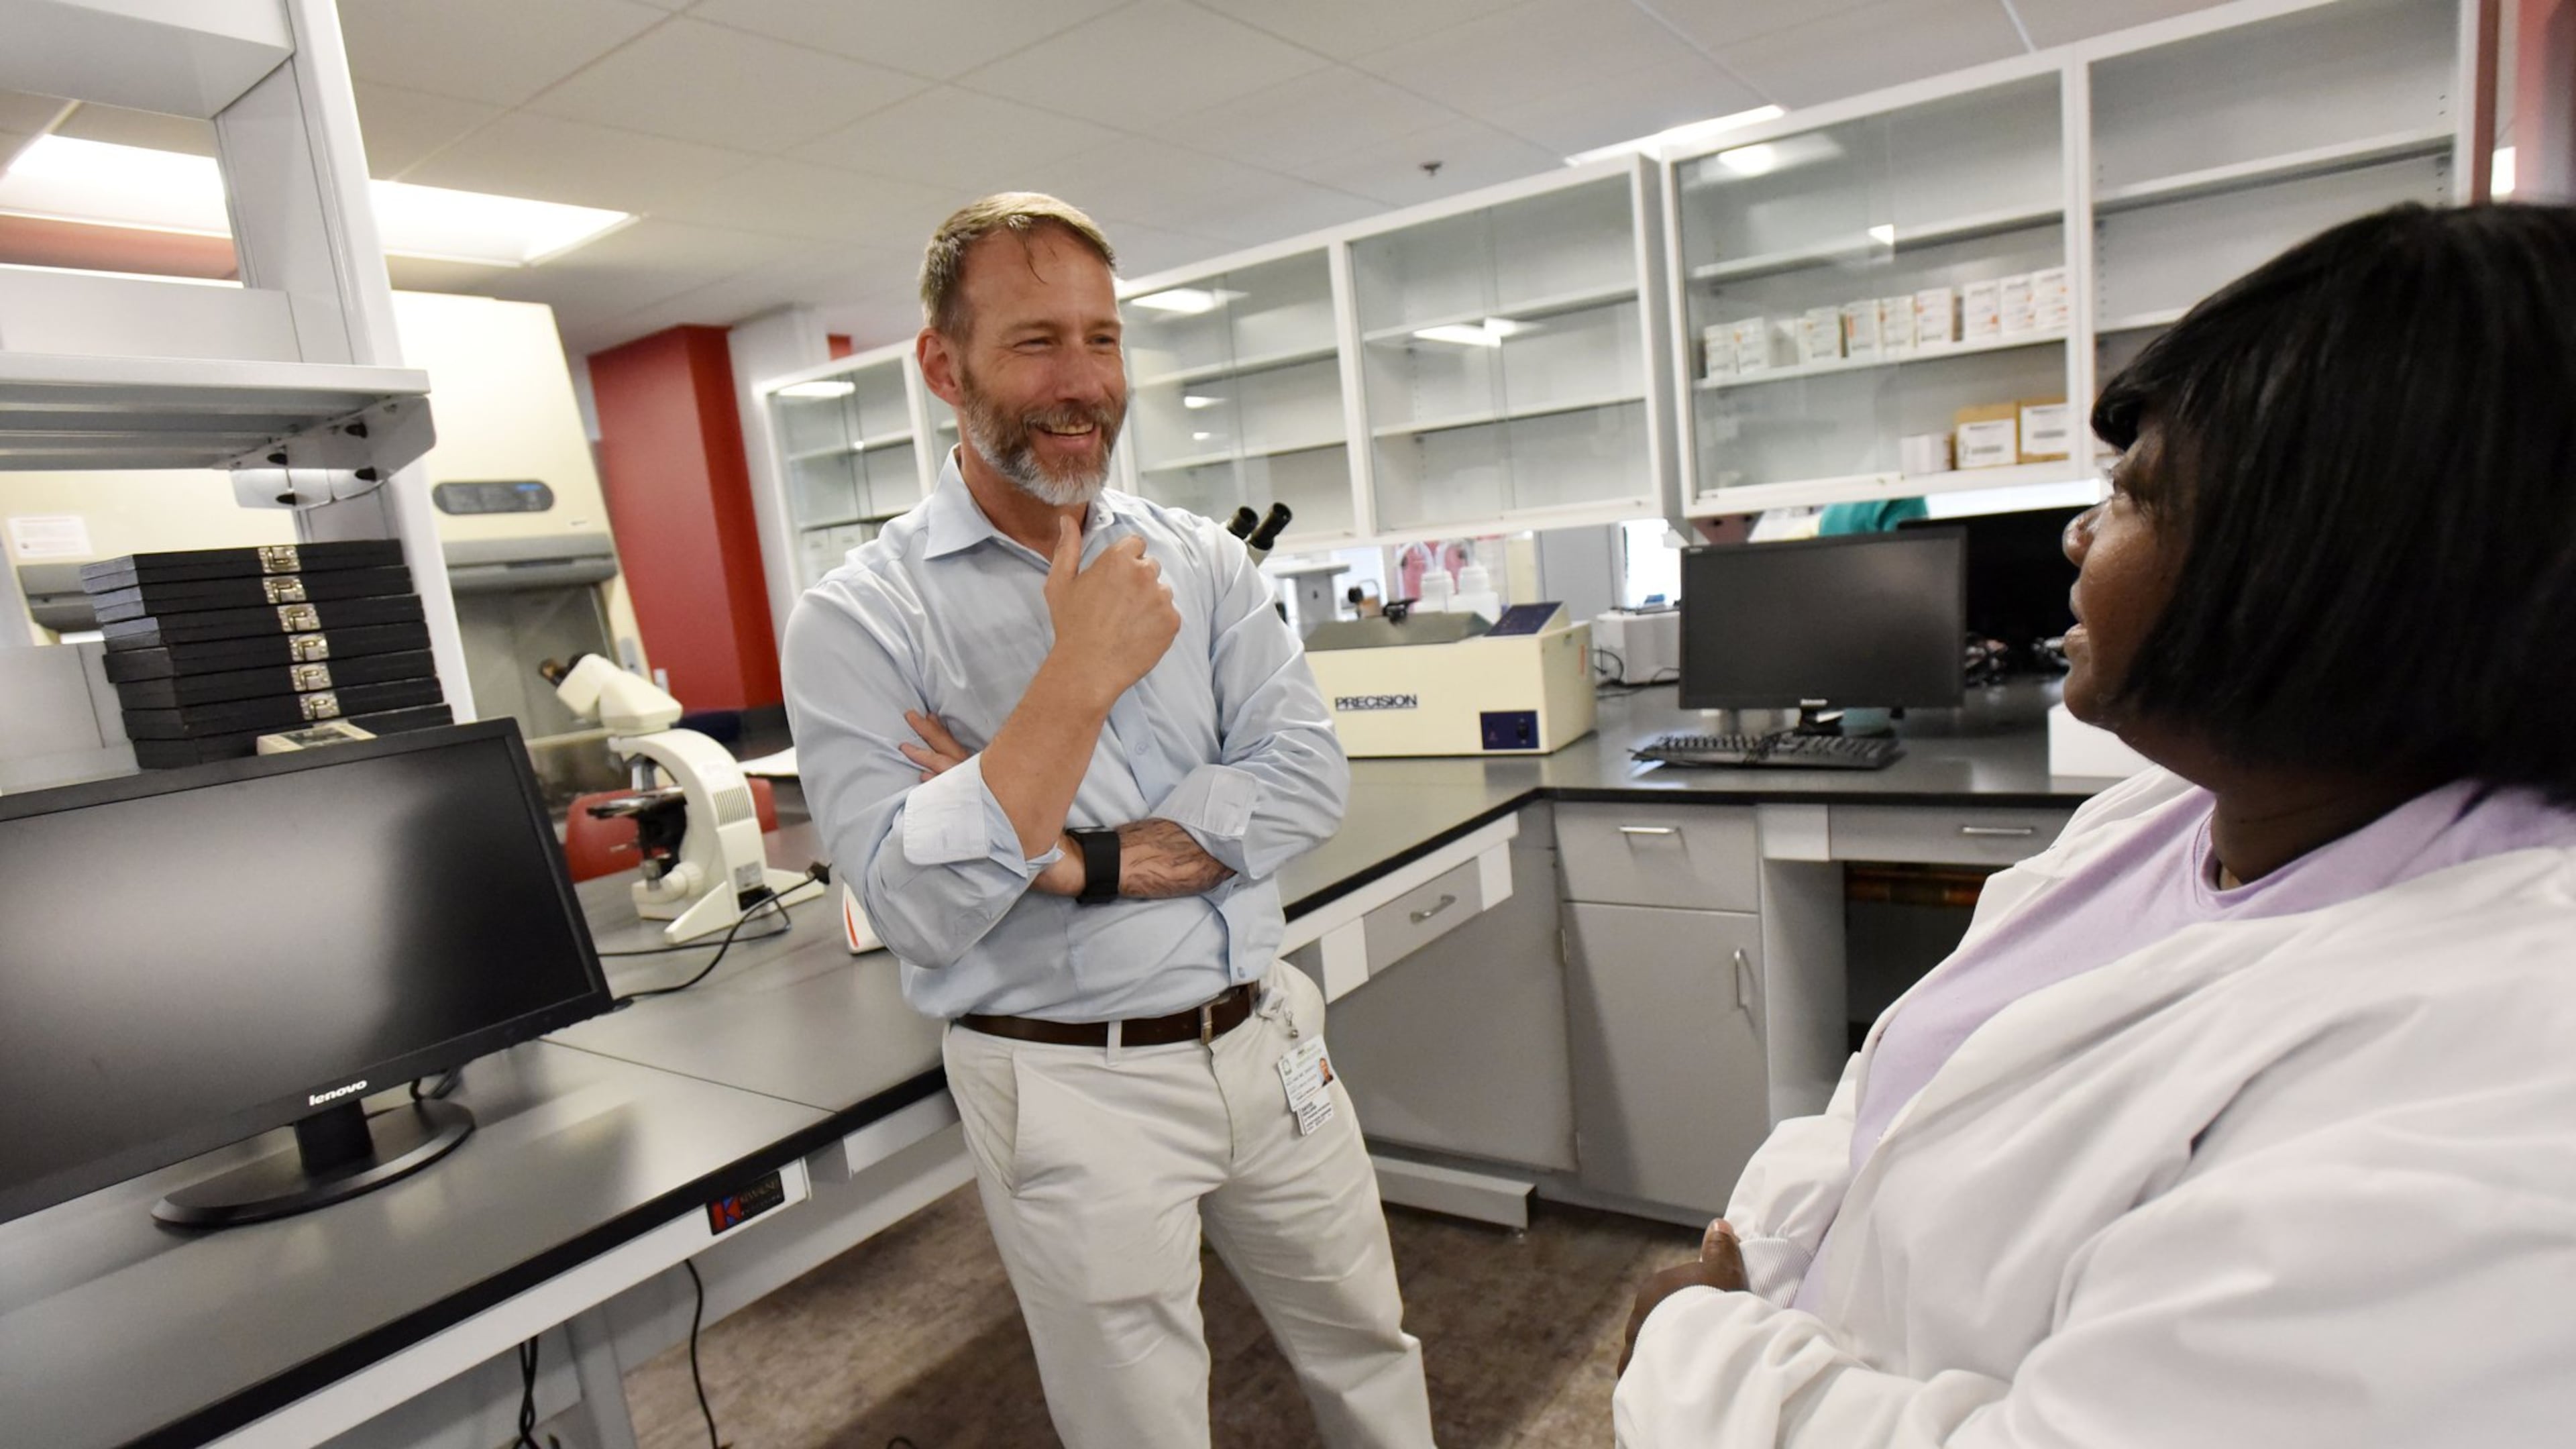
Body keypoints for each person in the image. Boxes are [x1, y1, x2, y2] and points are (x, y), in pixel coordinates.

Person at [1616, 202, 2576, 1446]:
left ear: (2326, 564)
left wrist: (1691, 1345)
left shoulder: (2501, 1095)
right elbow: (1901, 1079)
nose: (2076, 534)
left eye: (2131, 494)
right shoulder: (2174, 811)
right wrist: (1762, 1255)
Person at [781, 194, 1436, 1449]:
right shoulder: (862, 622)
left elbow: (1304, 778)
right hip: (1069, 1081)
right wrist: (1076, 679)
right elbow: (914, 907)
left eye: (1103, 339)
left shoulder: (1202, 559)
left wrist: (1057, 847)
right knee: (1140, 1426)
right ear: (943, 364)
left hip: (1267, 1037)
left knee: (1369, 1347)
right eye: (1035, 342)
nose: (1083, 384)